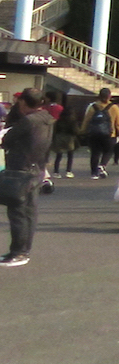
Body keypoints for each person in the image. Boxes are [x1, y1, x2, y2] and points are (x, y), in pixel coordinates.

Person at [1, 88, 53, 267]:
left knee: (18, 212)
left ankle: (18, 252)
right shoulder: (47, 118)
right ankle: (24, 251)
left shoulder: (28, 121)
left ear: (24, 102)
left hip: (21, 169)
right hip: (37, 168)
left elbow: (7, 140)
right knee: (29, 212)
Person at [84, 87, 119, 180]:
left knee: (95, 152)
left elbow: (87, 120)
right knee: (108, 151)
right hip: (110, 134)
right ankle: (102, 165)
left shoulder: (93, 107)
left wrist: (83, 131)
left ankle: (94, 173)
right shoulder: (114, 108)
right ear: (109, 96)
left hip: (94, 134)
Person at [49, 97, 80, 178]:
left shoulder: (59, 120)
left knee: (58, 156)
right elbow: (76, 131)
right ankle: (68, 171)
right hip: (69, 139)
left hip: (59, 138)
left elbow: (55, 130)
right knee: (70, 155)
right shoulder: (73, 121)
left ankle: (56, 172)